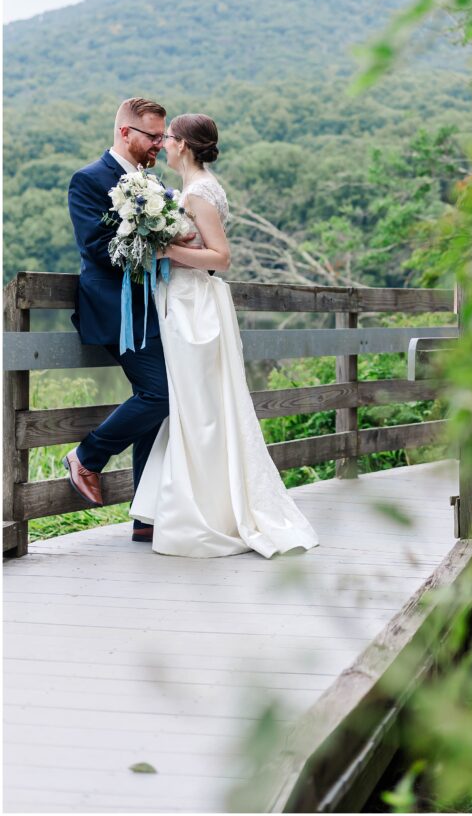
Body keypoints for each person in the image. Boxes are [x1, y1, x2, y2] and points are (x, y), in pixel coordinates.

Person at [129, 113, 318, 558]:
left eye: (169, 138)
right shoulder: (193, 189)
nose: (164, 145)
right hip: (181, 302)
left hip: (194, 308)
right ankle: (184, 504)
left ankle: (209, 513)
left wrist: (164, 249)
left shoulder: (198, 194)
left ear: (185, 146)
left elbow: (221, 257)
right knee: (192, 406)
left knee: (201, 409)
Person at [66, 97, 185, 543]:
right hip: (115, 309)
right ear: (125, 133)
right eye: (153, 136)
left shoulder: (148, 183)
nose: (159, 144)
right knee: (160, 393)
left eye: (162, 137)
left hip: (153, 307)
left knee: (154, 400)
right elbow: (96, 247)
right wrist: (155, 241)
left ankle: (146, 515)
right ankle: (86, 457)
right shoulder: (89, 179)